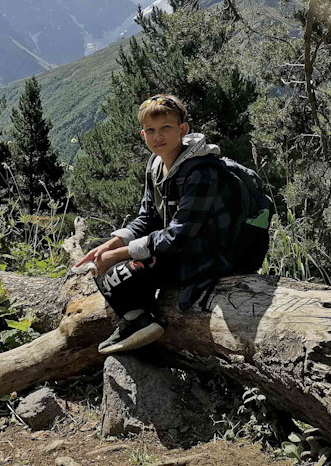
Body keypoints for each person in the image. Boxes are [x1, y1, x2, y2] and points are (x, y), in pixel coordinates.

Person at [74, 94, 270, 355]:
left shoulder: (201, 172)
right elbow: (148, 218)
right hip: (186, 249)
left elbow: (181, 234)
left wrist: (120, 254)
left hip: (214, 256)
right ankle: (138, 318)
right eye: (151, 130)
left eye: (166, 128)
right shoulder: (156, 166)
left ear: (183, 129)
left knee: (121, 273)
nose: (158, 136)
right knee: (97, 252)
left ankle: (141, 324)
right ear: (143, 134)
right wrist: (112, 244)